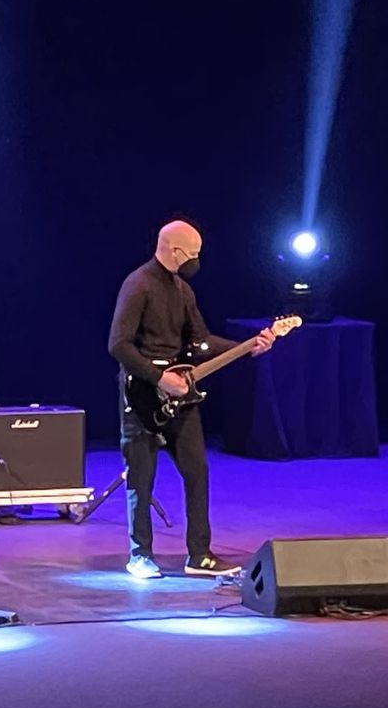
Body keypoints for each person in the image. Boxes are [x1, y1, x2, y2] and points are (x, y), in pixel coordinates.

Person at [108, 220, 276, 580]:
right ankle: (140, 555)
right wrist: (159, 378)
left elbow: (200, 342)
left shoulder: (183, 291)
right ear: (173, 251)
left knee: (197, 471)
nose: (196, 261)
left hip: (181, 399)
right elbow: (118, 344)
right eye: (193, 254)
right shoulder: (138, 284)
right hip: (141, 397)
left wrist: (247, 347)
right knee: (141, 477)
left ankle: (199, 554)